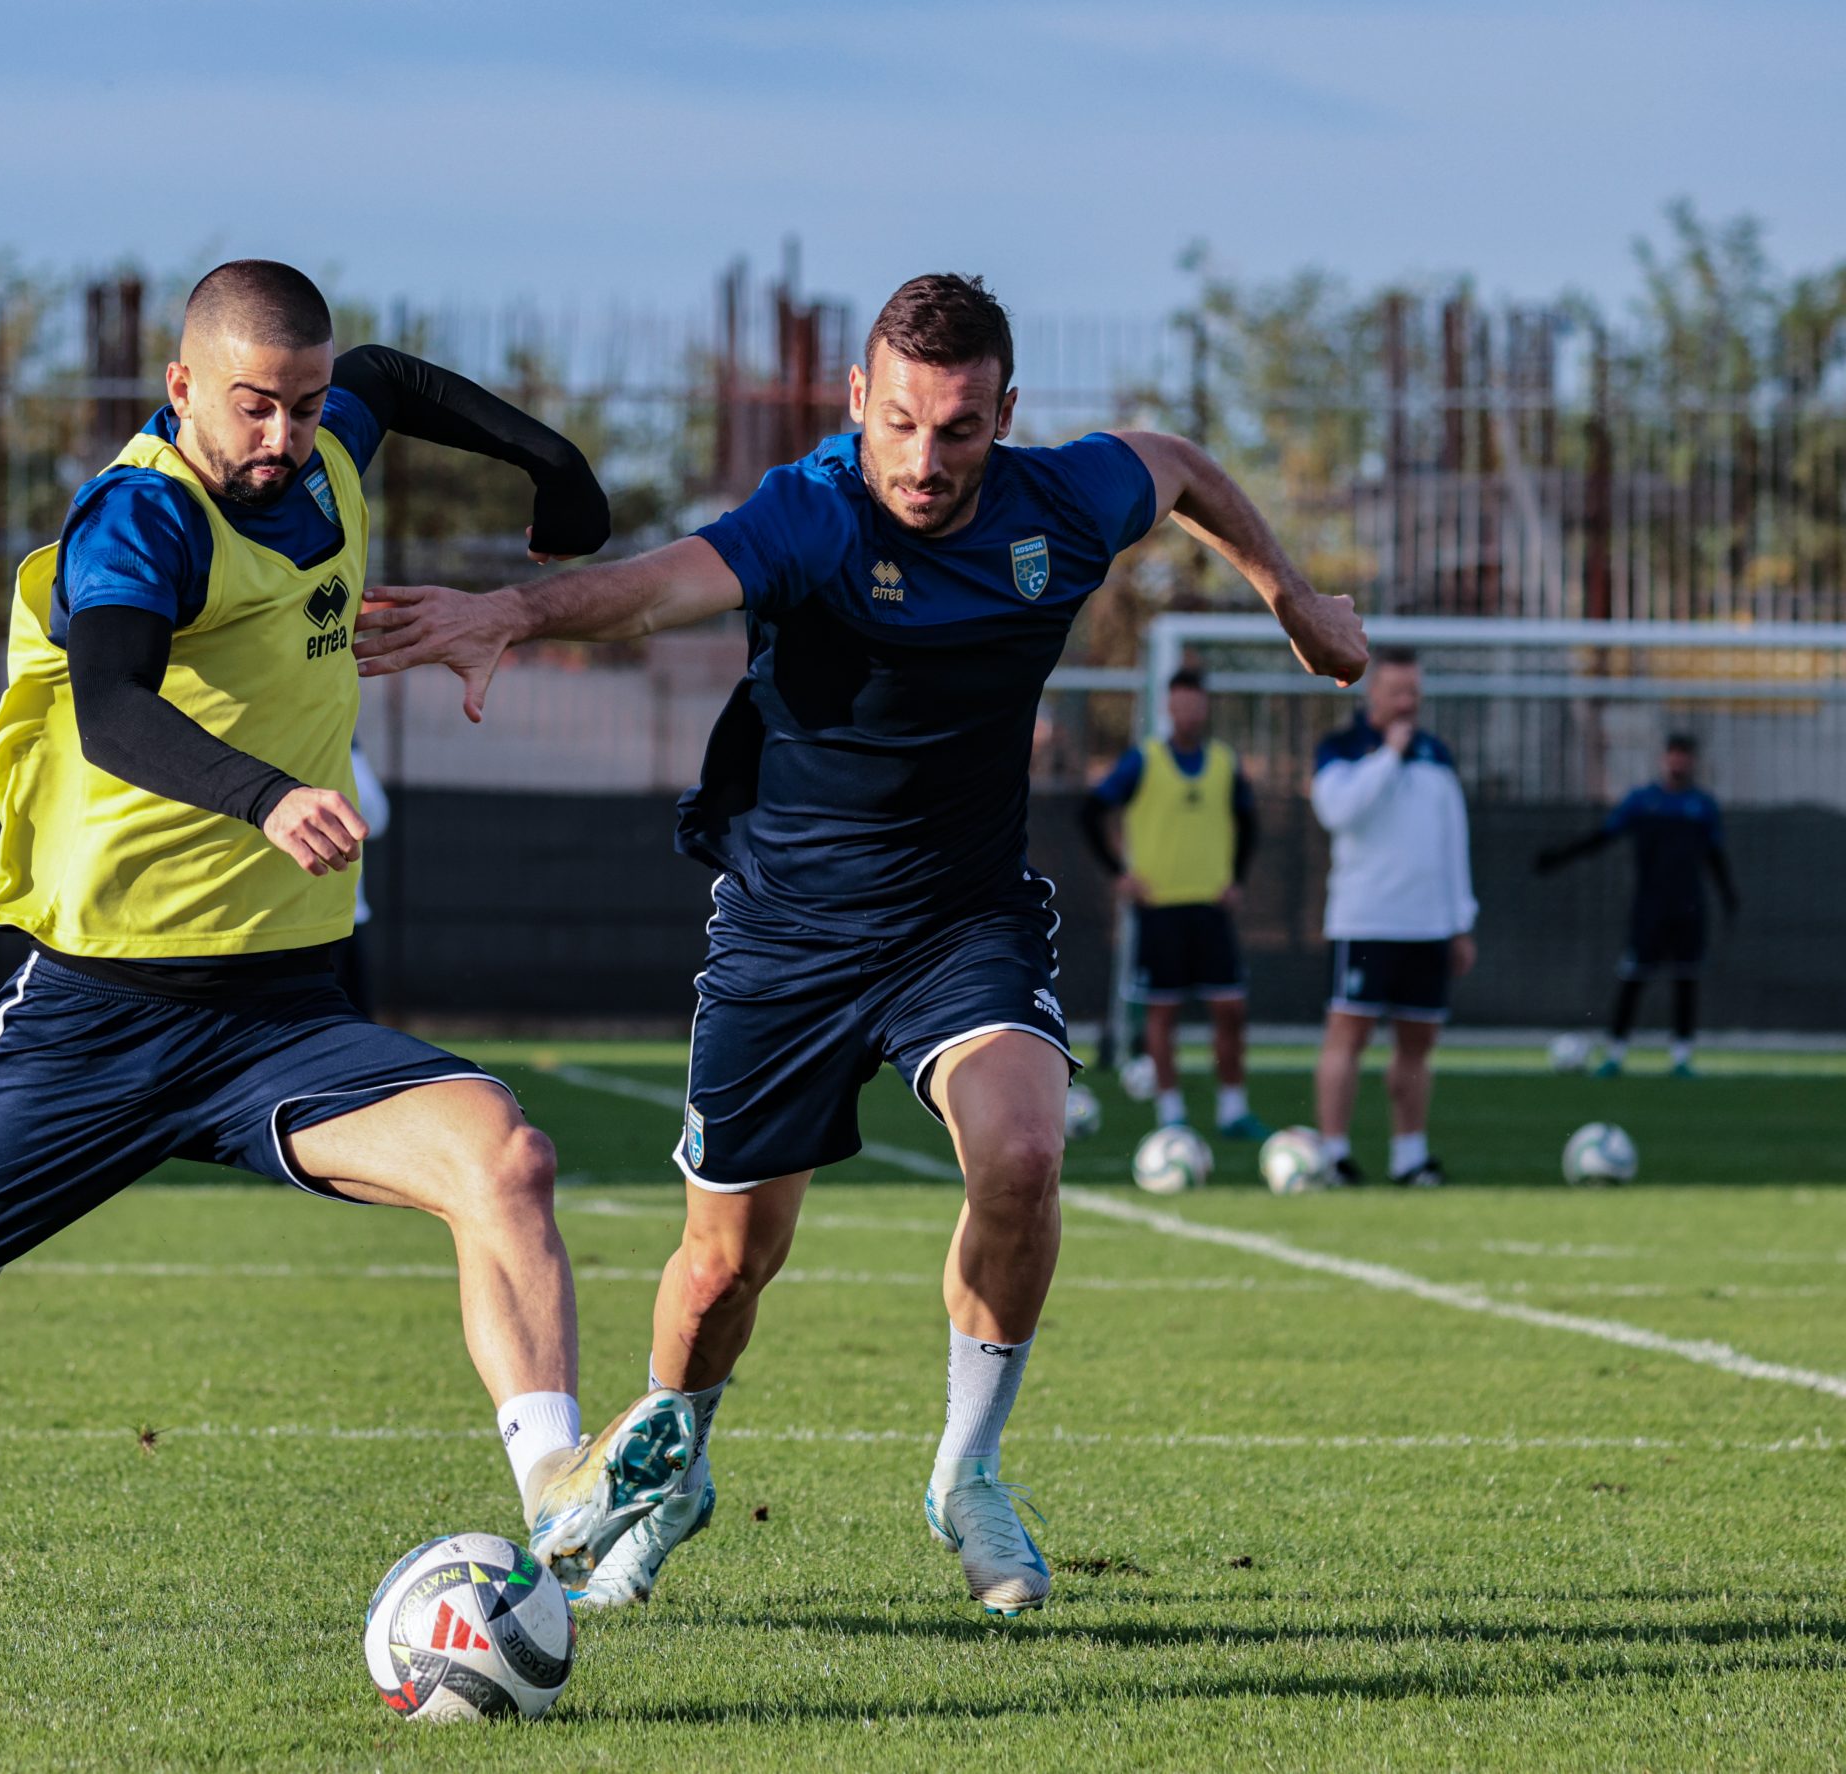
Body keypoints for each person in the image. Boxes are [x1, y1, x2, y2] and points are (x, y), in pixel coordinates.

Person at [0, 261, 695, 1592]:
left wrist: (556, 464)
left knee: (505, 1158)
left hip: (279, 1015)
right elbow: (109, 700)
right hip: (101, 1012)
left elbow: (387, 381)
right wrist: (264, 797)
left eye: (299, 407)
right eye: (252, 407)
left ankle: (558, 1492)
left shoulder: (319, 448)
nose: (283, 437)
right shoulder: (142, 518)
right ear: (180, 387)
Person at [356, 272, 1367, 1615]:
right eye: (899, 422)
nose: (924, 458)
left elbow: (1177, 467)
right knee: (724, 1264)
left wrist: (1291, 590)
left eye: (957, 429)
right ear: (857, 402)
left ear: (1008, 413)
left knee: (1021, 1149)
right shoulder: (817, 510)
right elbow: (666, 587)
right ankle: (672, 1466)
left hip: (962, 918)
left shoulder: (1062, 503)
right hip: (786, 929)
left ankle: (968, 1471)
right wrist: (514, 613)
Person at [1309, 646, 1475, 1187]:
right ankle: (1333, 1154)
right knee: (1347, 1039)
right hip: (1366, 922)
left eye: (1415, 694)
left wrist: (1460, 921)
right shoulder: (1342, 749)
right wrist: (1388, 756)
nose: (1408, 704)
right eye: (1399, 692)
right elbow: (1338, 813)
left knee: (1417, 1046)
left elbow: (1453, 844)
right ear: (1372, 693)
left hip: (1427, 925)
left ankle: (1410, 1156)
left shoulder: (1437, 755)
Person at [1079, 667, 1265, 1138]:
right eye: (1179, 704)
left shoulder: (1223, 761)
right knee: (1163, 1014)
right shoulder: (1144, 760)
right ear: (1168, 708)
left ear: (1206, 708)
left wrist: (1237, 879)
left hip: (1211, 906)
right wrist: (1120, 875)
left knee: (1230, 1010)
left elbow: (1249, 823)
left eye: (1195, 703)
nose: (1188, 712)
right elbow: (1090, 811)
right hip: (1159, 907)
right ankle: (1171, 1114)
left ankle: (1232, 1109)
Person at [1534, 734, 1736, 1077]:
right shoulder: (1643, 802)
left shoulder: (1702, 806)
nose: (1678, 762)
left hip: (1689, 908)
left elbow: (1715, 856)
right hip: (1650, 907)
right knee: (1634, 978)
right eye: (1673, 755)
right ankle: (1615, 1054)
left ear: (1692, 762)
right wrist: (1559, 858)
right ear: (1664, 759)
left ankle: (1681, 1058)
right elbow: (1603, 836)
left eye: (1684, 756)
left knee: (1685, 980)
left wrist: (1728, 894)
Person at [333, 738, 389, 1017]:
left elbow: (375, 818)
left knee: (356, 1022)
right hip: (297, 919)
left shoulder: (348, 746)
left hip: (348, 916)